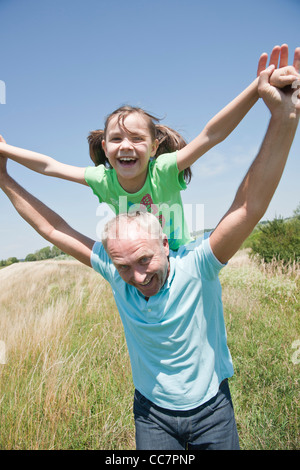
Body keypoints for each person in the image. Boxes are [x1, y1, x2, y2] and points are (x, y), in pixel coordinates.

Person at [0, 48, 299, 450]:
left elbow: (235, 178)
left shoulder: (193, 259)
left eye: (143, 261)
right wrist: (4, 170)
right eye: (125, 267)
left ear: (155, 145)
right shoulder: (111, 248)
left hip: (212, 412)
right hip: (151, 415)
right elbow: (52, 219)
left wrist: (274, 108)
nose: (137, 278)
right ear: (104, 147)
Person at [1, 45, 299, 251]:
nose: (126, 146)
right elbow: (49, 166)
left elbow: (212, 134)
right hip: (137, 259)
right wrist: (6, 150)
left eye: (137, 139)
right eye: (116, 139)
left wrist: (255, 90)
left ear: (155, 147)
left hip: (179, 256)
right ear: (105, 148)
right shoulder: (103, 180)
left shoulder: (165, 170)